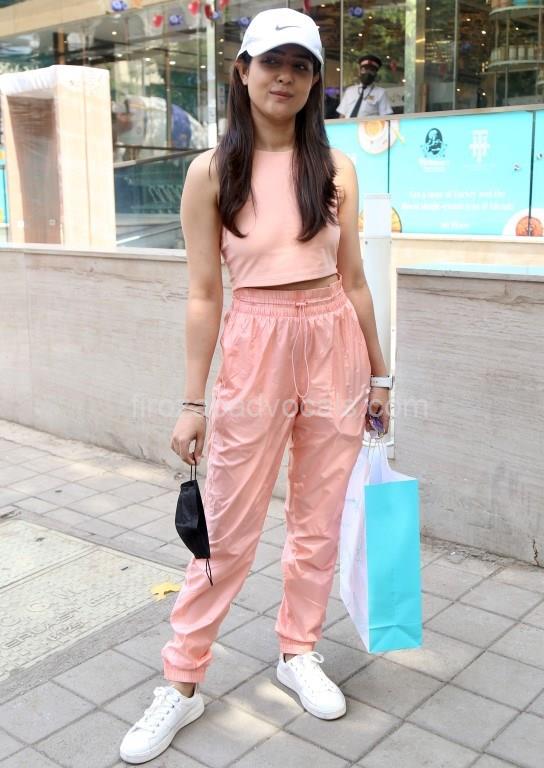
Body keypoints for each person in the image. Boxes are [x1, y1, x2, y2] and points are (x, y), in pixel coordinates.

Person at [120, 8, 392, 765]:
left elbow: (355, 281)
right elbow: (204, 294)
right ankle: (182, 682)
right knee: (228, 527)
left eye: (302, 66)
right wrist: (192, 401)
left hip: (334, 341)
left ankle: (298, 650)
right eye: (272, 62)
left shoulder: (336, 169)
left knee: (318, 518)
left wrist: (380, 375)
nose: (286, 77)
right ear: (242, 71)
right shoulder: (211, 172)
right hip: (256, 342)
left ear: (315, 81)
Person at [336, 53, 393, 118]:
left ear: (375, 74)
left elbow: (385, 117)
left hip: (369, 124)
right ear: (359, 72)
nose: (367, 73)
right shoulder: (349, 91)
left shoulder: (380, 92)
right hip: (348, 124)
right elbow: (342, 115)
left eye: (371, 70)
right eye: (364, 70)